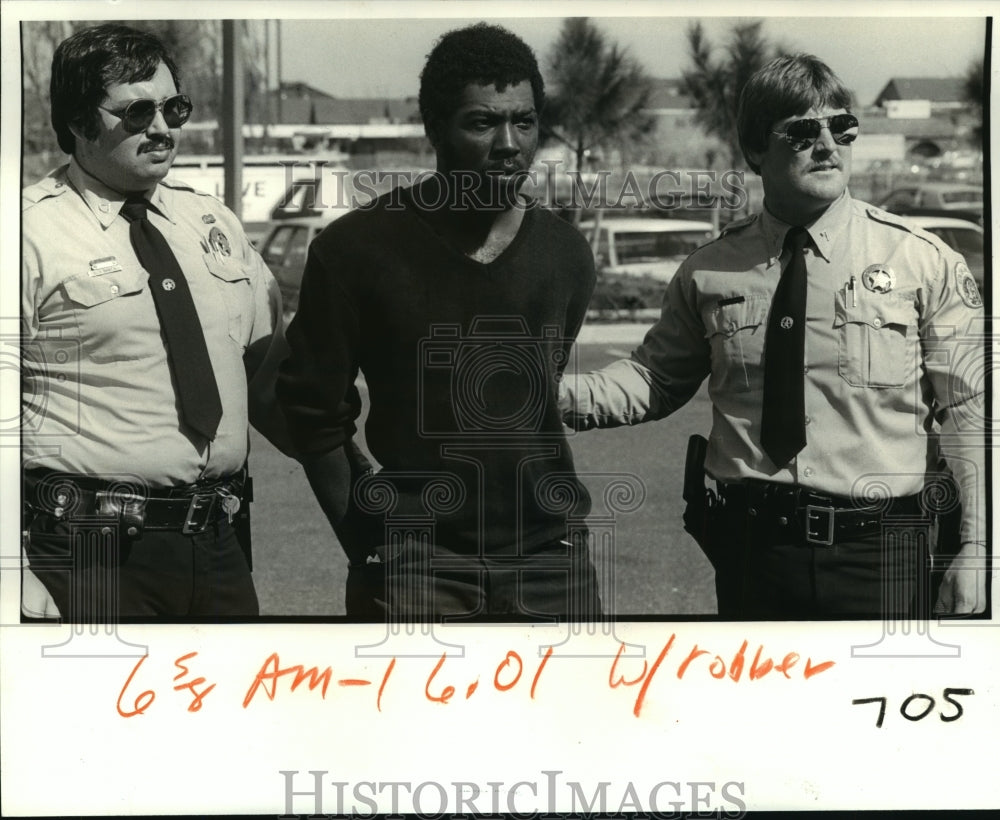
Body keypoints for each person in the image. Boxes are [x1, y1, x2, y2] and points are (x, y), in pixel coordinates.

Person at [561, 54, 986, 620]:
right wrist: (547, 393)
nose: (828, 146)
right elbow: (652, 380)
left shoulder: (921, 260)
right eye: (803, 132)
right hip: (751, 552)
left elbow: (972, 409)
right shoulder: (709, 271)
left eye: (842, 127)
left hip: (880, 555)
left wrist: (980, 549)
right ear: (756, 150)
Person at [277, 23, 600, 621]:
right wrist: (367, 542)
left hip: (552, 566)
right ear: (434, 130)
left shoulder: (565, 255)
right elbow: (312, 411)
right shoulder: (356, 250)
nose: (509, 143)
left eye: (524, 122)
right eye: (482, 122)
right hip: (416, 567)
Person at [21, 24, 290, 621]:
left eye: (174, 107)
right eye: (137, 112)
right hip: (87, 551)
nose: (163, 127)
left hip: (218, 545)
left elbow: (270, 378)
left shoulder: (210, 223)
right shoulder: (29, 234)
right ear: (77, 121)